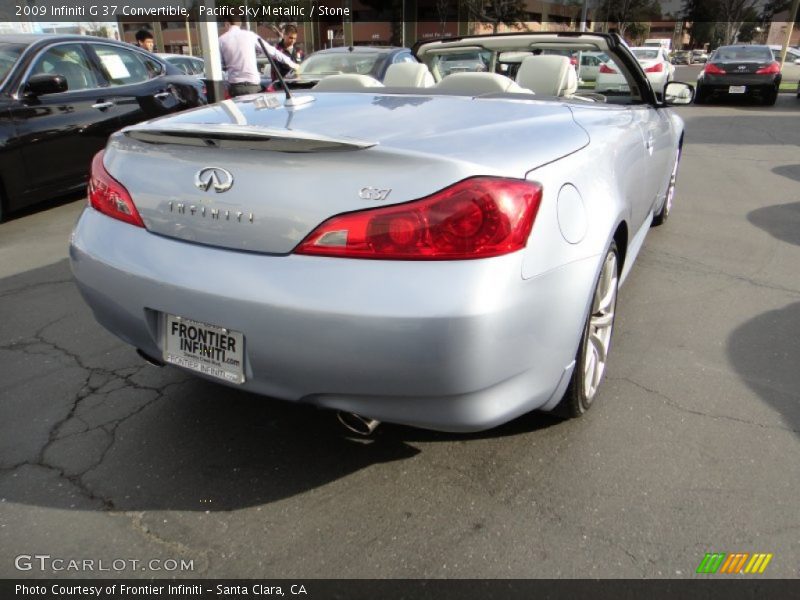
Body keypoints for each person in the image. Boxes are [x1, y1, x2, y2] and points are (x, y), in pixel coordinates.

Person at [218, 19, 299, 97]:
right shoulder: (250, 35)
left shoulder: (221, 40)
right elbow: (272, 52)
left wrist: (226, 87)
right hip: (253, 87)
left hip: (234, 89)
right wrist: (294, 64)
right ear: (240, 23)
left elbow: (219, 68)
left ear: (226, 23)